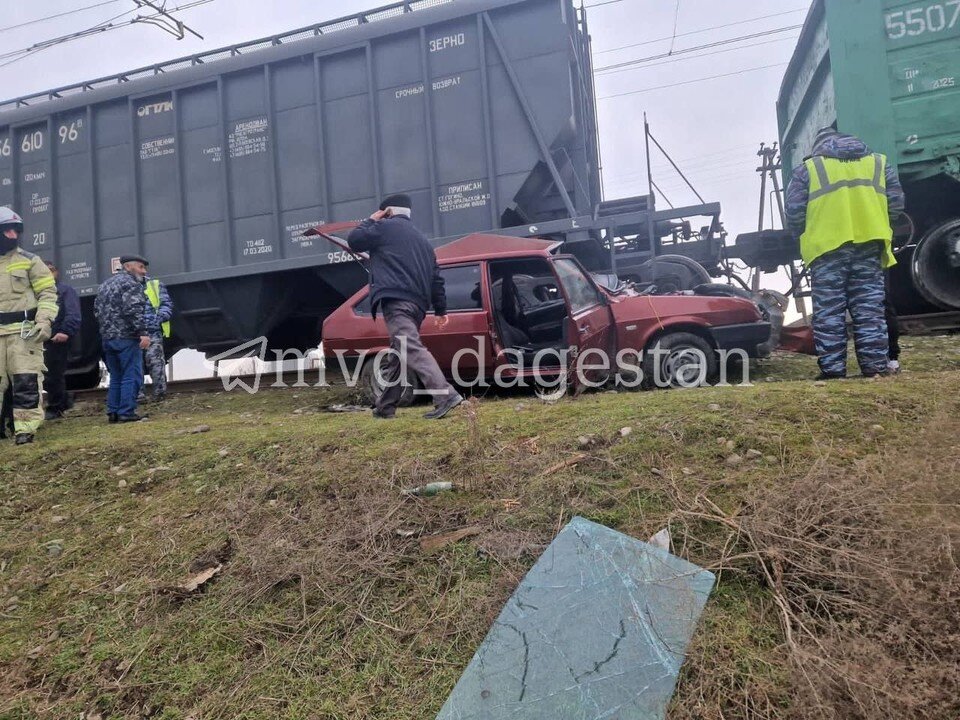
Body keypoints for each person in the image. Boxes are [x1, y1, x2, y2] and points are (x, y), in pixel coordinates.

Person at [785, 126, 904, 379]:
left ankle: (833, 371)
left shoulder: (809, 170)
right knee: (870, 310)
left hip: (827, 249)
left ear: (818, 146)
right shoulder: (879, 164)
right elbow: (896, 204)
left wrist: (806, 233)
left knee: (829, 313)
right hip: (869, 245)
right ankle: (875, 369)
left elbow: (794, 213)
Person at [347, 194, 463, 420]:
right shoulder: (423, 241)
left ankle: (445, 395)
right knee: (398, 355)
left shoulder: (384, 228)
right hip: (418, 306)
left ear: (387, 212)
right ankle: (385, 408)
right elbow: (436, 279)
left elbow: (355, 240)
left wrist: (371, 219)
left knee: (409, 347)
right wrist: (440, 311)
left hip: (396, 302)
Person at [0, 207, 60, 445]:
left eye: (15, 230)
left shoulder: (30, 261)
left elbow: (48, 292)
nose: (12, 235)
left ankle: (25, 429)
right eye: (7, 230)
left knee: (26, 381)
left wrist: (44, 320)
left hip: (23, 334)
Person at [94, 254, 150, 423]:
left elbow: (97, 311)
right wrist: (143, 333)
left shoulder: (105, 284)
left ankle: (113, 412)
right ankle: (126, 412)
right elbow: (133, 310)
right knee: (131, 375)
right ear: (127, 267)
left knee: (116, 376)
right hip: (126, 336)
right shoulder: (131, 284)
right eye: (140, 267)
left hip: (108, 338)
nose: (144, 271)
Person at [43, 261, 81, 420]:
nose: (48, 273)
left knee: (54, 374)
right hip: (40, 338)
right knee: (43, 375)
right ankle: (64, 400)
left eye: (51, 270)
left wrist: (65, 331)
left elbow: (73, 313)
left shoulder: (65, 290)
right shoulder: (36, 292)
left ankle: (56, 407)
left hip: (57, 339)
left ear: (56, 272)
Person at [141, 269, 173, 402]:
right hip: (133, 334)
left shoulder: (154, 285)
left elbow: (166, 304)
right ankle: (138, 396)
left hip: (152, 331)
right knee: (135, 366)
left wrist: (157, 319)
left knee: (156, 363)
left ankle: (159, 394)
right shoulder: (125, 287)